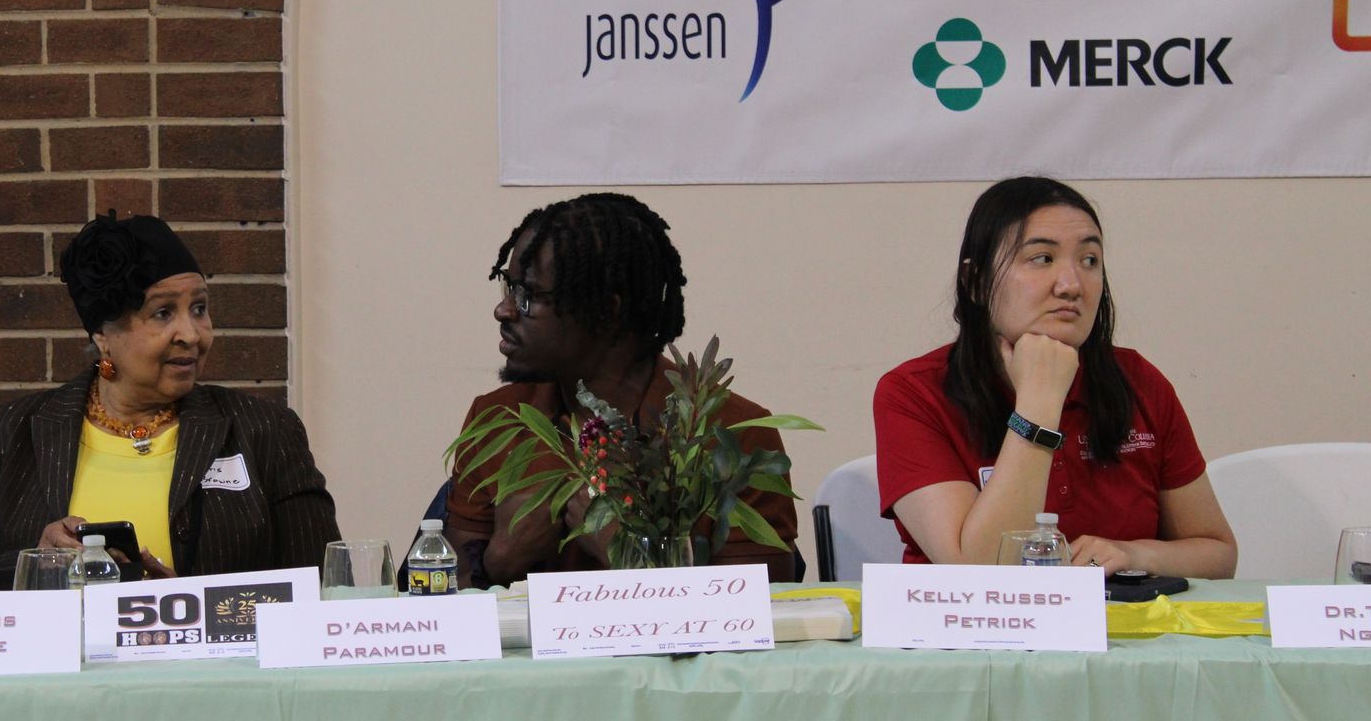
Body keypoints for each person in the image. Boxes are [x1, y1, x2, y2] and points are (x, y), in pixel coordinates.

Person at [0, 211, 340, 584]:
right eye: (163, 313)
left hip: (215, 668)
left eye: (199, 308)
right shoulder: (7, 433)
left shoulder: (264, 429)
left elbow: (326, 591)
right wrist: (36, 566)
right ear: (104, 336)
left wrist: (184, 605)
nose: (192, 334)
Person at [874, 176, 1236, 576]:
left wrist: (1135, 555)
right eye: (1042, 259)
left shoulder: (1138, 380)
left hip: (1120, 632)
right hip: (974, 636)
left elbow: (1217, 554)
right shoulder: (913, 392)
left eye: (1089, 261)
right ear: (975, 281)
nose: (1071, 285)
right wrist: (1038, 404)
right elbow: (978, 574)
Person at [446, 192, 799, 585]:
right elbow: (447, 599)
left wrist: (630, 556)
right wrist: (500, 559)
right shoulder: (499, 419)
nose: (504, 310)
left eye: (528, 295)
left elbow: (761, 611)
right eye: (508, 288)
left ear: (607, 310)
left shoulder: (732, 432)